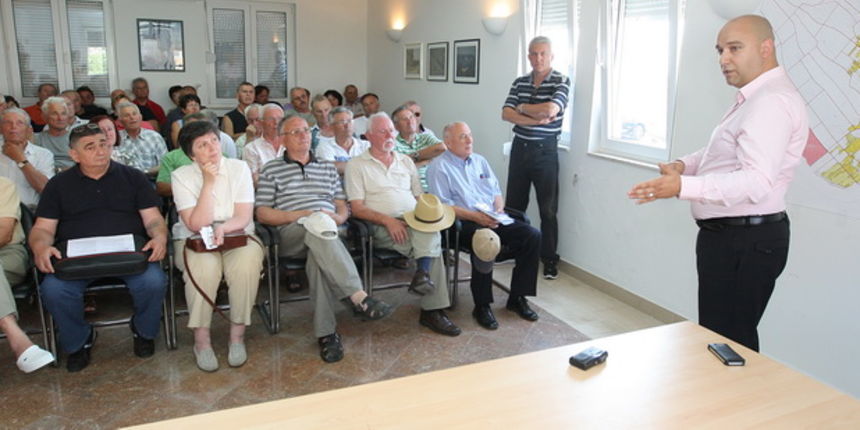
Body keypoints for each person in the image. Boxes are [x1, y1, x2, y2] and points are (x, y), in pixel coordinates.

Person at [627, 15, 808, 352]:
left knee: (730, 343)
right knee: (720, 338)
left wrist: (683, 186)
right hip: (734, 237)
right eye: (720, 50)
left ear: (765, 48)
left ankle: (737, 403)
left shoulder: (770, 101)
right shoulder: (755, 97)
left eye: (734, 49)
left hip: (746, 240)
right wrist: (684, 165)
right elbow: (724, 152)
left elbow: (755, 181)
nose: (723, 59)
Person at [31, 123, 168, 372]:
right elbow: (43, 229)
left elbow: (153, 219)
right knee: (54, 290)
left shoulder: (133, 177)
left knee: (153, 282)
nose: (100, 151)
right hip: (76, 260)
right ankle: (79, 341)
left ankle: (144, 331)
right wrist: (41, 247)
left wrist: (159, 237)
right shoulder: (58, 185)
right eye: (90, 147)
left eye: (103, 144)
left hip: (128, 255)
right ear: (74, 155)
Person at [256, 114, 392, 363]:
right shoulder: (271, 169)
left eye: (306, 130)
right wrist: (304, 214)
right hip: (291, 231)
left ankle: (327, 334)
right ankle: (358, 296)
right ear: (283, 139)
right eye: (295, 132)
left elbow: (343, 207)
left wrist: (337, 219)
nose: (303, 135)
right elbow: (263, 213)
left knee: (318, 257)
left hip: (328, 232)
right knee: (314, 226)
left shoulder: (326, 167)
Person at [345, 112, 460, 337]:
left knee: (430, 229)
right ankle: (432, 307)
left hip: (413, 222)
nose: (390, 134)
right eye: (383, 131)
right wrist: (389, 221)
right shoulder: (356, 165)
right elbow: (357, 208)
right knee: (432, 245)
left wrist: (427, 215)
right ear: (368, 135)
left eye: (391, 130)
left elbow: (419, 198)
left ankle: (423, 277)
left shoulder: (405, 161)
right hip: (379, 226)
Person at [427, 122, 541, 329]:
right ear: (448, 143)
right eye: (463, 137)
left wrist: (498, 209)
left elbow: (496, 192)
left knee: (532, 235)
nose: (470, 140)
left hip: (492, 217)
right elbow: (442, 206)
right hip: (462, 222)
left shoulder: (480, 161)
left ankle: (517, 297)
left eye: (470, 135)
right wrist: (475, 217)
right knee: (485, 240)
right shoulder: (439, 167)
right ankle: (482, 305)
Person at [171, 120, 264, 372]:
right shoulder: (181, 176)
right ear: (191, 154)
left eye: (214, 140)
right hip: (195, 238)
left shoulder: (239, 168)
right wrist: (208, 182)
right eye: (202, 145)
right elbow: (195, 223)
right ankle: (202, 341)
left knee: (246, 265)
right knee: (204, 269)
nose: (212, 148)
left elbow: (244, 216)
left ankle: (237, 337)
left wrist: (223, 228)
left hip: (237, 232)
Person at [501, 35, 570, 280]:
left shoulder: (562, 80)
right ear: (528, 55)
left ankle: (549, 259)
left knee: (548, 210)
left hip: (545, 151)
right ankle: (512, 249)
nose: (537, 58)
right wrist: (533, 115)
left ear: (551, 55)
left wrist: (522, 108)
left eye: (542, 53)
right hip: (520, 148)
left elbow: (551, 110)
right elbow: (505, 113)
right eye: (533, 53)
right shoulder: (520, 82)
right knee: (513, 206)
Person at [0, 177, 55, 373]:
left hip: (6, 254)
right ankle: (16, 336)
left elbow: (3, 234)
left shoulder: (3, 185)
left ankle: (12, 332)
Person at [0, 109, 54, 208]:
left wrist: (21, 160)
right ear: (1, 128)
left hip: (29, 212)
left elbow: (45, 188)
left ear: (29, 129)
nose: (13, 127)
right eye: (8, 123)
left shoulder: (43, 154)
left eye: (20, 123)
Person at [392, 105, 445, 191]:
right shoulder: (392, 144)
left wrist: (413, 157)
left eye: (411, 117)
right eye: (404, 119)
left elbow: (442, 148)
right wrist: (424, 161)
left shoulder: (426, 137)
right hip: (410, 192)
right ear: (396, 126)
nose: (410, 121)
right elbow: (396, 170)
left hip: (437, 189)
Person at [115, 101, 168, 177]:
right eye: (127, 115)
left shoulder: (154, 137)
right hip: (124, 181)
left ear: (140, 117)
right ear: (120, 121)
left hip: (150, 180)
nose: (132, 118)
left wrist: (144, 173)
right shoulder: (116, 139)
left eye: (134, 114)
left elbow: (165, 165)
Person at [315, 106, 370, 174]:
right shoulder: (324, 147)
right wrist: (363, 166)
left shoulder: (365, 145)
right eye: (342, 122)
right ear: (332, 126)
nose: (347, 125)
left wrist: (341, 165)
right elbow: (329, 169)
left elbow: (374, 167)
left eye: (349, 121)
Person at [243, 104, 284, 182]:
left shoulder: (291, 144)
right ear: (261, 122)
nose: (276, 122)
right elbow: (253, 180)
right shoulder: (251, 148)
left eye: (279, 119)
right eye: (271, 119)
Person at [33, 97, 73, 170]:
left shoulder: (77, 138)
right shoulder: (36, 139)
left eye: (63, 113)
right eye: (55, 114)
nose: (60, 118)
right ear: (44, 117)